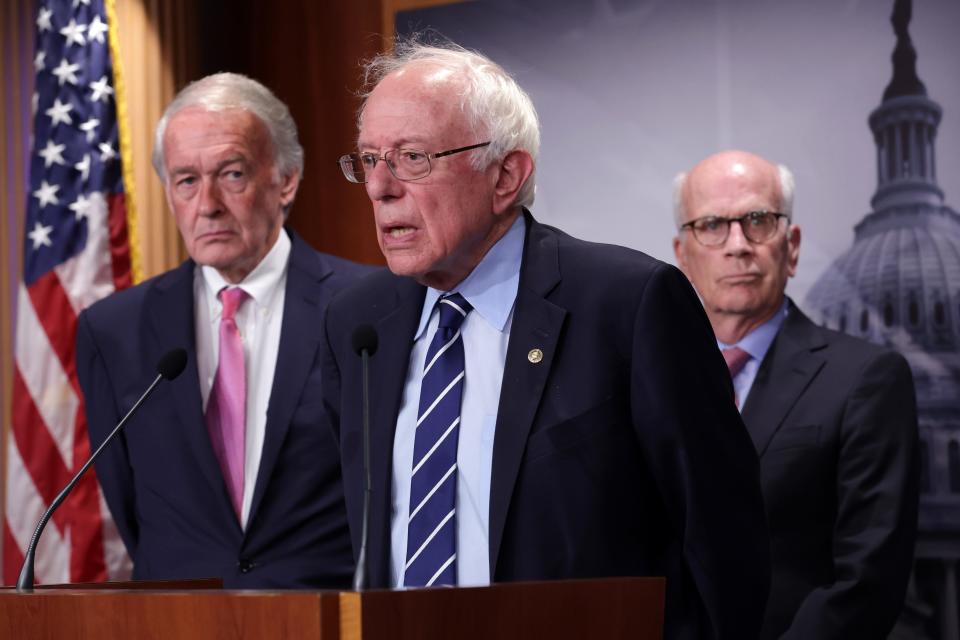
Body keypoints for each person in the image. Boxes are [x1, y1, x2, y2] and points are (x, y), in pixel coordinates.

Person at [321, 41, 769, 639]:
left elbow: (724, 542)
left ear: (506, 174)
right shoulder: (357, 322)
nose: (380, 187)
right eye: (370, 159)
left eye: (412, 157)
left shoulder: (629, 304)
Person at [76, 73, 370, 588]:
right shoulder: (114, 330)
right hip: (178, 617)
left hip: (326, 613)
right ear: (169, 194)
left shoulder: (367, 308)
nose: (206, 203)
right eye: (186, 180)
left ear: (286, 180)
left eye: (231, 174)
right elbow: (128, 500)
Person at [672, 149, 919, 639]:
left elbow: (866, 581)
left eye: (758, 221)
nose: (737, 245)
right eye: (713, 225)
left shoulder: (867, 379)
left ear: (794, 246)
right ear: (682, 253)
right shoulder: (648, 380)